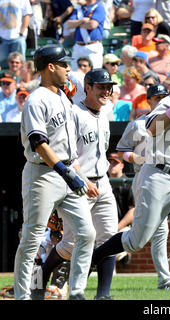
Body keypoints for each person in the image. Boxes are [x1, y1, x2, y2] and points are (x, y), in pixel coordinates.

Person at [91, 61, 170, 300]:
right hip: (158, 175)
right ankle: (92, 258)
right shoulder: (168, 102)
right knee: (136, 240)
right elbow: (153, 129)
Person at [14, 44, 95, 300]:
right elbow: (38, 142)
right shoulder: (36, 99)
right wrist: (63, 169)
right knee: (31, 239)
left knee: (87, 233)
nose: (68, 68)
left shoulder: (62, 95)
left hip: (67, 171)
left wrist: (70, 171)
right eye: (63, 64)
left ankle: (77, 292)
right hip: (43, 174)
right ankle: (22, 296)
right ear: (51, 67)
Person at [30, 68, 119, 300]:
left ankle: (103, 295)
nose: (106, 91)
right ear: (87, 88)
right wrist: (82, 180)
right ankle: (43, 272)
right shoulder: (74, 113)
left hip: (104, 183)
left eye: (109, 87)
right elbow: (68, 155)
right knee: (71, 243)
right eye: (100, 86)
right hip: (79, 184)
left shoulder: (105, 113)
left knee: (109, 239)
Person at [116, 83, 170, 290]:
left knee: (162, 231)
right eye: (157, 98)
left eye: (164, 97)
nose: (161, 101)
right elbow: (122, 150)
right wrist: (138, 158)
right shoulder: (138, 124)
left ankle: (165, 278)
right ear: (148, 101)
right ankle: (109, 248)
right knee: (146, 233)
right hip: (145, 179)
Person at [67, 0, 106, 70]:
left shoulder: (99, 7)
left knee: (94, 73)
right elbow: (69, 24)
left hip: (93, 46)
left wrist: (77, 24)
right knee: (75, 73)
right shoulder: (79, 9)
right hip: (78, 46)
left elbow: (92, 25)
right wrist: (82, 20)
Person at [0, 0, 33, 69]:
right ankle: (5, 80)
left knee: (20, 65)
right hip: (2, 39)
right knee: (3, 65)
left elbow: (27, 15)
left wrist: (21, 33)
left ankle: (19, 80)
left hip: (18, 38)